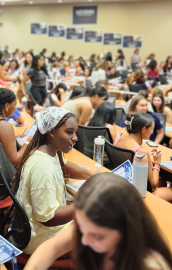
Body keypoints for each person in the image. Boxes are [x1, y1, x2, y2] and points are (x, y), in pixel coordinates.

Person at [24, 173, 172, 270]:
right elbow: (52, 248)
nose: (84, 240)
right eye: (80, 228)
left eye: (98, 236)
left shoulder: (151, 265)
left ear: (127, 231)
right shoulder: (91, 228)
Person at [12, 107, 92, 255]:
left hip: (35, 229)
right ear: (51, 131)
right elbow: (48, 218)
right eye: (69, 132)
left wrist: (92, 176)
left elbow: (64, 166)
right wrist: (85, 204)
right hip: (40, 238)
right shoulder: (43, 166)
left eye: (75, 132)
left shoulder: (48, 151)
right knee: (104, 230)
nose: (75, 137)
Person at [115, 113, 172, 201]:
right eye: (151, 129)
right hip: (139, 190)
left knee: (163, 180)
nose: (152, 132)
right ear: (144, 129)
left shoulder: (119, 138)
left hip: (122, 181)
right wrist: (157, 162)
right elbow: (154, 185)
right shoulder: (141, 152)